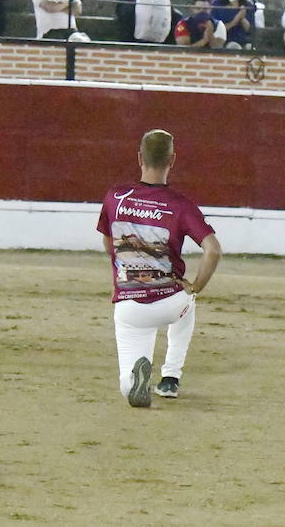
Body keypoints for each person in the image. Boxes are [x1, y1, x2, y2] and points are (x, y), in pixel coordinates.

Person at [98, 128, 220, 407]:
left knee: (127, 383)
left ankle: (134, 384)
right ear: (172, 160)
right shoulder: (180, 205)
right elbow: (213, 250)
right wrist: (196, 286)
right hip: (170, 300)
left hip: (130, 306)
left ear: (139, 157)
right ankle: (170, 377)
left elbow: (109, 245)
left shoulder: (116, 197)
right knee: (188, 303)